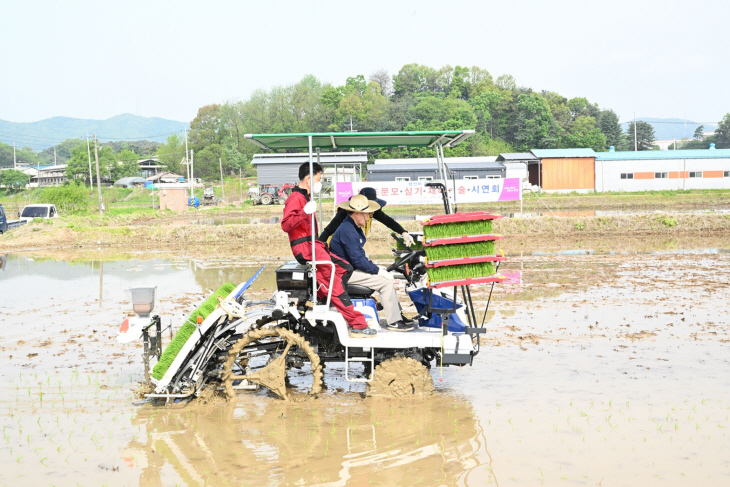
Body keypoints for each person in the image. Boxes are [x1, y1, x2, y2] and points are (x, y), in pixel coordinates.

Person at [281, 162, 375, 338]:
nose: (320, 183)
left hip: (314, 246)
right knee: (333, 281)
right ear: (309, 179)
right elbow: (286, 225)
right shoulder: (296, 198)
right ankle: (358, 324)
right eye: (318, 179)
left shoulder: (305, 197)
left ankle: (324, 299)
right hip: (306, 249)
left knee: (344, 268)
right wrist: (303, 212)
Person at [329, 195, 414, 332]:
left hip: (348, 269)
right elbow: (357, 260)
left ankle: (397, 315)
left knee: (384, 278)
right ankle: (394, 322)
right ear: (357, 213)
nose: (369, 218)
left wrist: (374, 267)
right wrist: (377, 270)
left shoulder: (351, 226)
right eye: (367, 214)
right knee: (385, 282)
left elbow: (358, 256)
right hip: (344, 273)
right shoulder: (348, 230)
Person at [319, 187, 415, 247]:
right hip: (338, 246)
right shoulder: (346, 212)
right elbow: (329, 229)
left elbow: (388, 221)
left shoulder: (372, 211)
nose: (372, 212)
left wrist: (403, 232)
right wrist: (319, 246)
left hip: (355, 245)